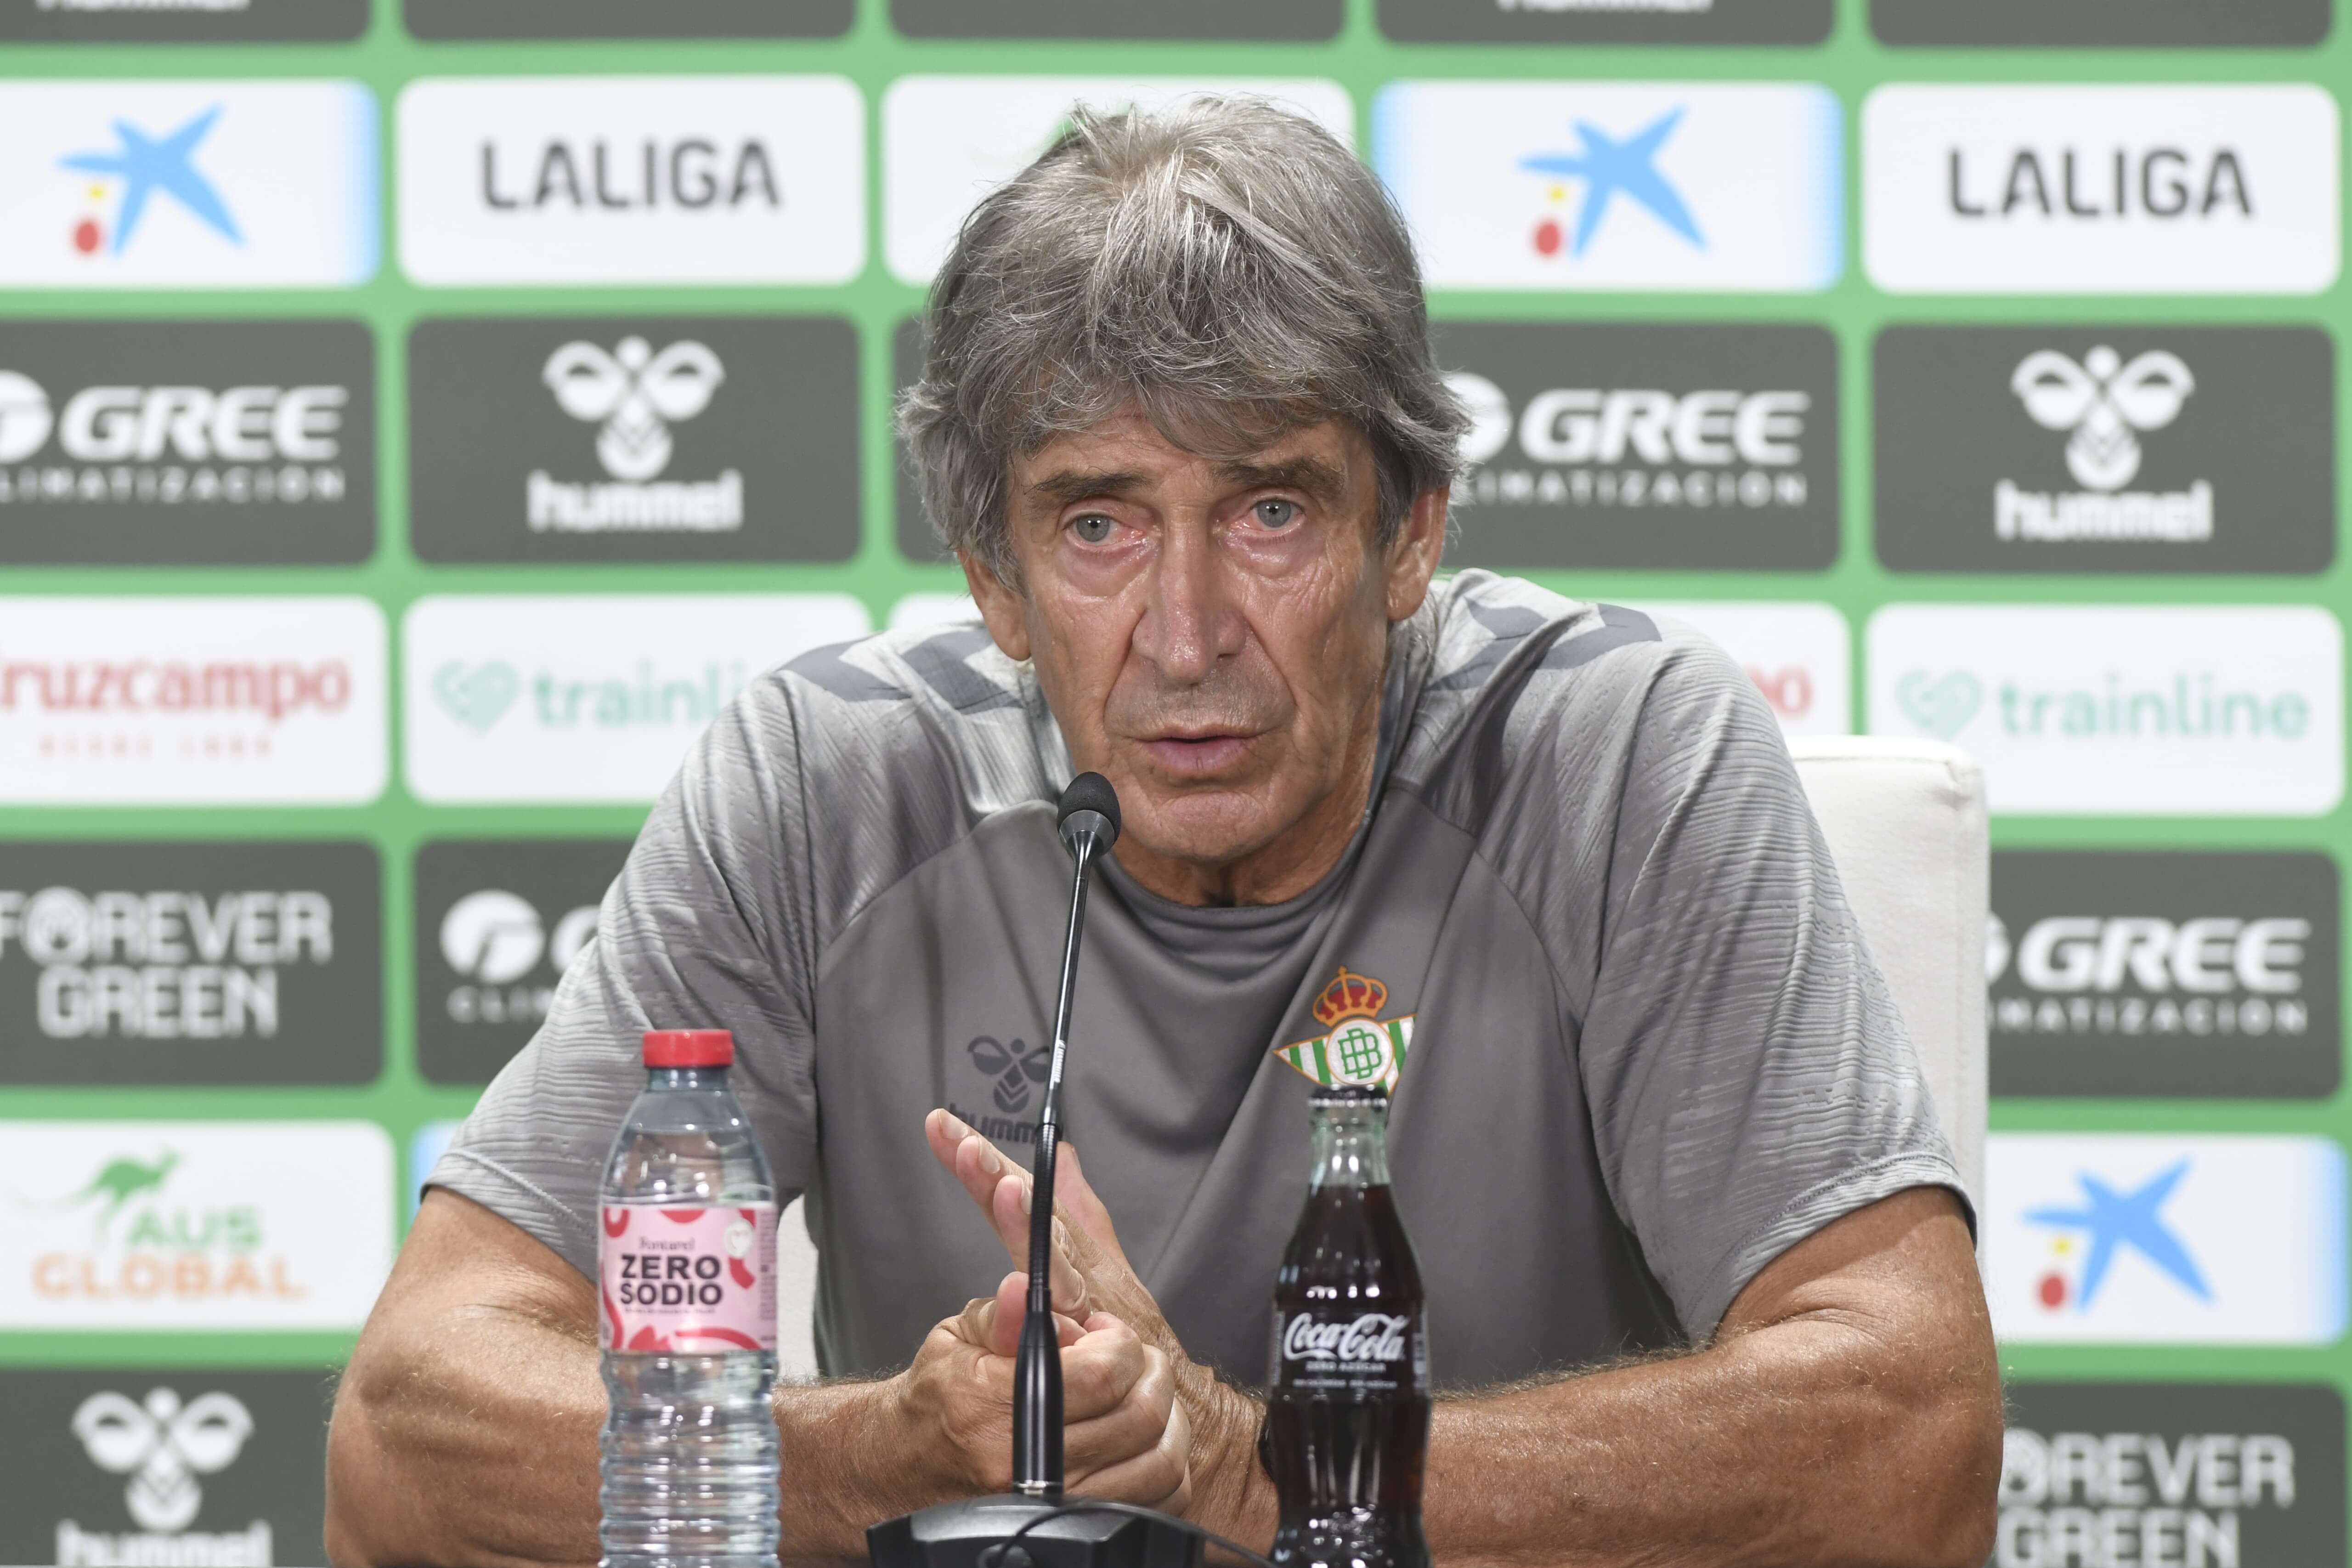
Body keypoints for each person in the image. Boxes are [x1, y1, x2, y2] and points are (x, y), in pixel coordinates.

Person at [328, 99, 2000, 1565]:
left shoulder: (1613, 753)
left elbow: (1911, 1445)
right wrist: (871, 1462)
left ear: (1408, 535)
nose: (1188, 638)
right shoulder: (829, 783)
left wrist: (1247, 1469)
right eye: (1100, 526)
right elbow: (403, 1442)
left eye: (1269, 510)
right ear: (995, 578)